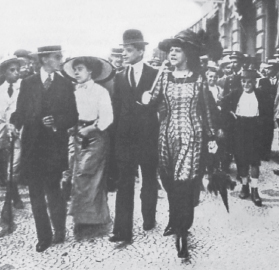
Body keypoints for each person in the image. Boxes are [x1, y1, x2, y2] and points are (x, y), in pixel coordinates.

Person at [142, 29, 218, 258]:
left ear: (188, 54)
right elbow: (151, 101)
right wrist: (147, 95)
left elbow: (206, 109)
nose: (172, 53)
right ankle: (174, 219)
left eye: (177, 50)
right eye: (171, 50)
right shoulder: (164, 76)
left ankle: (182, 233)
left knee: (184, 182)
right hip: (166, 136)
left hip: (192, 137)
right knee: (169, 181)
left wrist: (212, 136)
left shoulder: (199, 78)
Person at [10, 45, 78, 252]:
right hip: (32, 147)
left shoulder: (65, 84)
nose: (61, 60)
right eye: (58, 57)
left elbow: (72, 116)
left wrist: (56, 121)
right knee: (35, 193)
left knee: (54, 190)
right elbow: (20, 111)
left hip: (54, 147)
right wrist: (14, 124)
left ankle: (59, 230)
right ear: (46, 59)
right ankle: (43, 236)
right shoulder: (28, 83)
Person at [109, 29, 159, 243]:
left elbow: (163, 105)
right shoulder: (119, 77)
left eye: (128, 50)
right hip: (125, 138)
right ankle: (122, 229)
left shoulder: (156, 75)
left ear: (140, 51)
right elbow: (116, 108)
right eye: (123, 50)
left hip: (148, 137)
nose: (124, 54)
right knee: (125, 183)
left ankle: (149, 218)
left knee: (148, 179)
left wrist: (152, 101)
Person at [62, 56, 114, 232]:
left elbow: (107, 117)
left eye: (80, 69)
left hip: (96, 137)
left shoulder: (101, 92)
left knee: (90, 175)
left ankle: (95, 219)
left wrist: (91, 128)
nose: (77, 72)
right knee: (77, 174)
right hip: (77, 135)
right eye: (75, 69)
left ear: (90, 71)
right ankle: (82, 219)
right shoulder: (74, 92)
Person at [221, 69, 271, 206]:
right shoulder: (236, 93)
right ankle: (245, 187)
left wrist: (263, 124)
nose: (246, 85)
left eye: (249, 82)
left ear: (254, 83)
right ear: (241, 82)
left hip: (255, 130)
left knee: (254, 161)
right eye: (244, 82)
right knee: (241, 160)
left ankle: (255, 190)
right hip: (239, 129)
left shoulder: (261, 95)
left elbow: (268, 113)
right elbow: (222, 103)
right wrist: (230, 112)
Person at [0, 56, 24, 209]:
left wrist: (14, 126)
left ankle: (13, 195)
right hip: (2, 132)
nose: (16, 73)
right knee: (4, 163)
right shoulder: (0, 91)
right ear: (4, 72)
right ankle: (12, 194)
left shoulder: (22, 89)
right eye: (12, 70)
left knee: (14, 165)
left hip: (18, 132)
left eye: (18, 70)